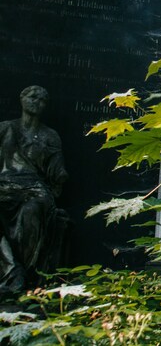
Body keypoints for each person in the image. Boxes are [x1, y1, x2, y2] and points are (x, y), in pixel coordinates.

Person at [0, 86, 68, 294]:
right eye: (32, 97)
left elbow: (57, 172)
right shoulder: (4, 128)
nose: (36, 102)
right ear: (22, 99)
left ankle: (28, 281)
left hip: (35, 188)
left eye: (42, 99)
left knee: (33, 211)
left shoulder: (50, 136)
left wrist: (55, 190)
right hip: (4, 186)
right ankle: (12, 272)